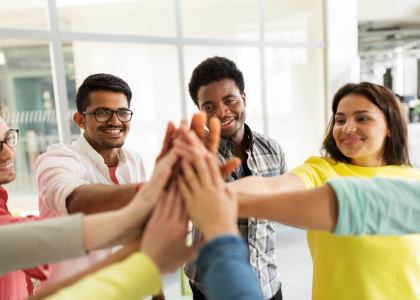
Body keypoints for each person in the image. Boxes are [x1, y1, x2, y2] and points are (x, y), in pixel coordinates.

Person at [228, 82, 420, 300]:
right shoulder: (322, 170)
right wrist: (214, 194)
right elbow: (269, 187)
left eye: (362, 118)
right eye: (340, 120)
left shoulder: (413, 180)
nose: (347, 128)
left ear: (390, 128)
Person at [34, 73, 150, 292]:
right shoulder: (56, 160)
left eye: (123, 112)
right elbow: (76, 199)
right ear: (80, 120)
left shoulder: (135, 161)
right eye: (102, 112)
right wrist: (157, 190)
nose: (115, 121)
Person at [184, 56, 286, 300]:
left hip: (267, 281)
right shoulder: (196, 156)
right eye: (209, 106)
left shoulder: (272, 149)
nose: (221, 112)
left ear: (244, 98)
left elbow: (282, 204)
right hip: (211, 285)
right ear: (200, 111)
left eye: (229, 100)